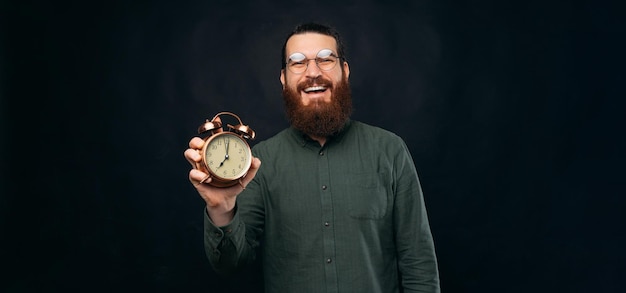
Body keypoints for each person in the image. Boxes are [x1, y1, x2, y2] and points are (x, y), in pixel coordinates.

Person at [184, 22, 440, 292]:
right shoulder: (257, 163)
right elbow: (229, 264)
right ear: (284, 79)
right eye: (298, 63)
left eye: (325, 59)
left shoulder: (390, 150)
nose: (313, 72)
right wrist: (221, 210)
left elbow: (418, 265)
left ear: (345, 71)